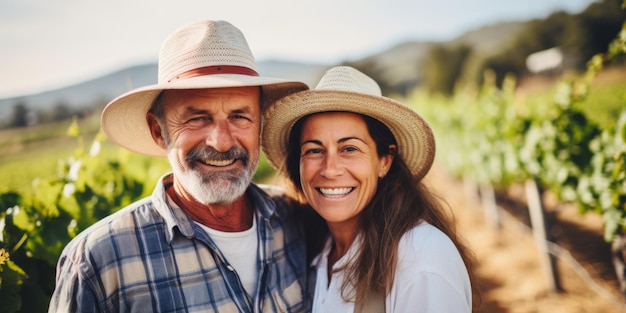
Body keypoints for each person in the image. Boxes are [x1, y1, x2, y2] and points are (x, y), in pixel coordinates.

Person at [48, 20, 312, 313]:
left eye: (240, 117)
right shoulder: (98, 262)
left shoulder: (296, 218)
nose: (222, 142)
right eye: (197, 118)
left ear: (259, 125)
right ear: (158, 131)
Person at [261, 66, 478, 312]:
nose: (330, 170)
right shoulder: (312, 251)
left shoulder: (421, 257)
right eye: (314, 150)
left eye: (350, 149)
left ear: (384, 161)